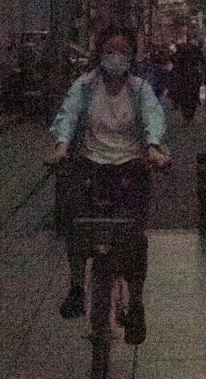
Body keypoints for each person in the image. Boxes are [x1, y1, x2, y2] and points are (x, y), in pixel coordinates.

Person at [49, 26, 169, 345]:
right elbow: (67, 115)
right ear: (100, 54)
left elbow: (153, 116)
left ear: (131, 56)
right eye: (110, 50)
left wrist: (154, 147)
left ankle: (137, 303)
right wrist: (61, 146)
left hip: (130, 168)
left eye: (122, 51)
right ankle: (77, 287)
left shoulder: (140, 89)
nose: (116, 57)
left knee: (133, 238)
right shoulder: (85, 87)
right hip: (91, 165)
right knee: (76, 225)